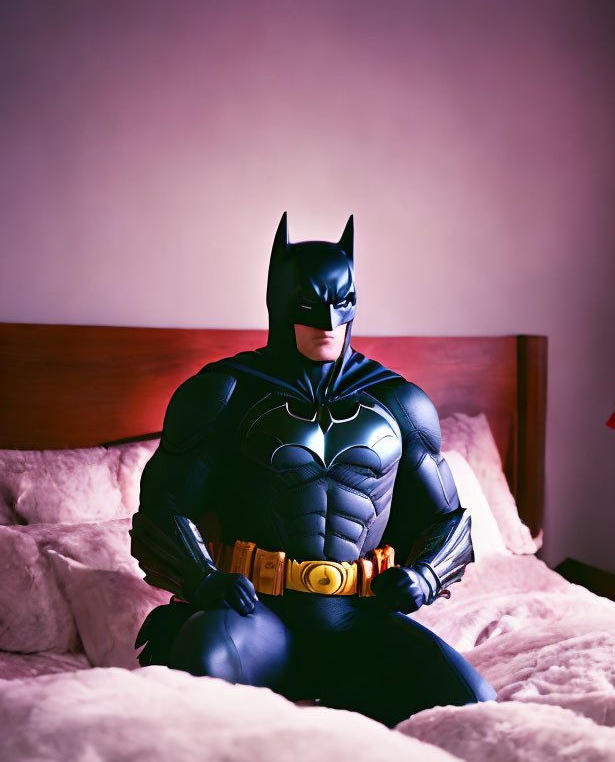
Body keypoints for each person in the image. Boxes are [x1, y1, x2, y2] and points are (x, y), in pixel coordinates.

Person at [131, 214, 496, 727]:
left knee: (474, 706)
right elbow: (163, 510)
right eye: (309, 306)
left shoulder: (400, 402)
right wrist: (203, 578)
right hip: (253, 616)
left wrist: (426, 575)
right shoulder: (222, 394)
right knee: (202, 678)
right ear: (278, 304)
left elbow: (447, 520)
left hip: (355, 621)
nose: (328, 322)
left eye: (341, 304)